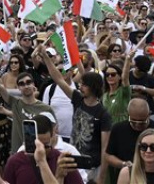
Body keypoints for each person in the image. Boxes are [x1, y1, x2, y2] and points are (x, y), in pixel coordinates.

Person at [41, 43, 111, 184]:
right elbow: (58, 79)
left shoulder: (103, 114)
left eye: (84, 84)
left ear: (93, 87)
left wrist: (102, 177)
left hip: (92, 166)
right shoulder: (78, 99)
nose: (80, 86)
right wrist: (46, 57)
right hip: (72, 160)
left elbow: (105, 149)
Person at [0, 54, 53, 154]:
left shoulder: (46, 109)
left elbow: (54, 135)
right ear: (18, 88)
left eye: (29, 82)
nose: (26, 86)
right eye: (22, 84)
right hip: (18, 154)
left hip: (40, 155)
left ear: (34, 85)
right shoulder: (15, 103)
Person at [106, 99, 154, 182]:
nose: (137, 124)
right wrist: (123, 164)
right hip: (129, 176)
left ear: (149, 115)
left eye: (142, 122)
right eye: (133, 121)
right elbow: (108, 155)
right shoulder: (118, 129)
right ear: (128, 114)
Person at [3, 114, 83, 184]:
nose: (41, 151)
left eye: (46, 146)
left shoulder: (61, 162)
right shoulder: (15, 162)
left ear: (52, 138)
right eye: (37, 146)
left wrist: (60, 177)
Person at [102, 54, 132, 125]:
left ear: (119, 77)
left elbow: (125, 78)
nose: (110, 76)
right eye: (107, 74)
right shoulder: (105, 94)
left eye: (113, 74)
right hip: (107, 129)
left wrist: (127, 60)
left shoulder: (124, 92)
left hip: (121, 128)